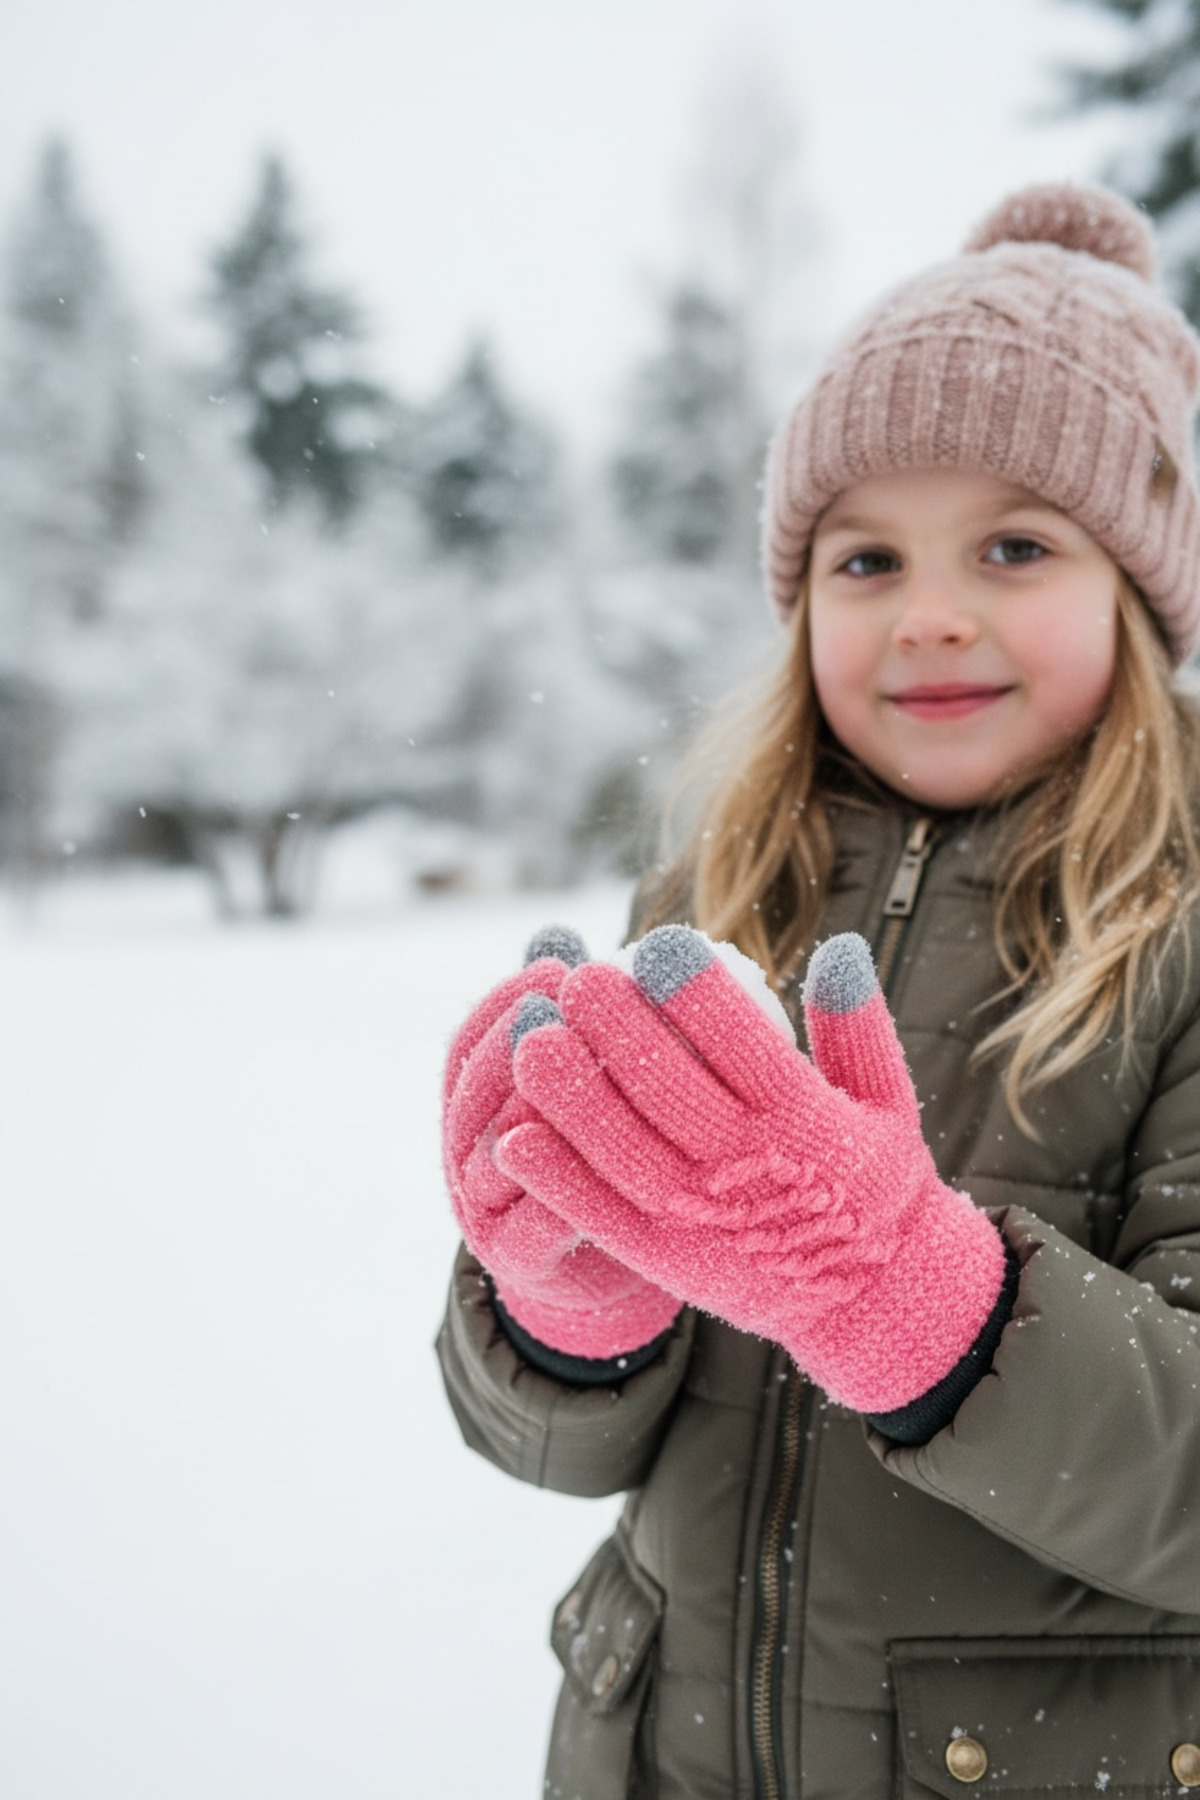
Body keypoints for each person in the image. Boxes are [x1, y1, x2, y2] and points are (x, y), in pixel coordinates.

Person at [437, 183, 1200, 1800]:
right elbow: (552, 1457)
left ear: (1141, 596)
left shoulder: (1184, 935)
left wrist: (920, 1303)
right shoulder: (711, 903)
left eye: (1015, 543)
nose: (929, 611)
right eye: (866, 556)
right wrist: (573, 1312)